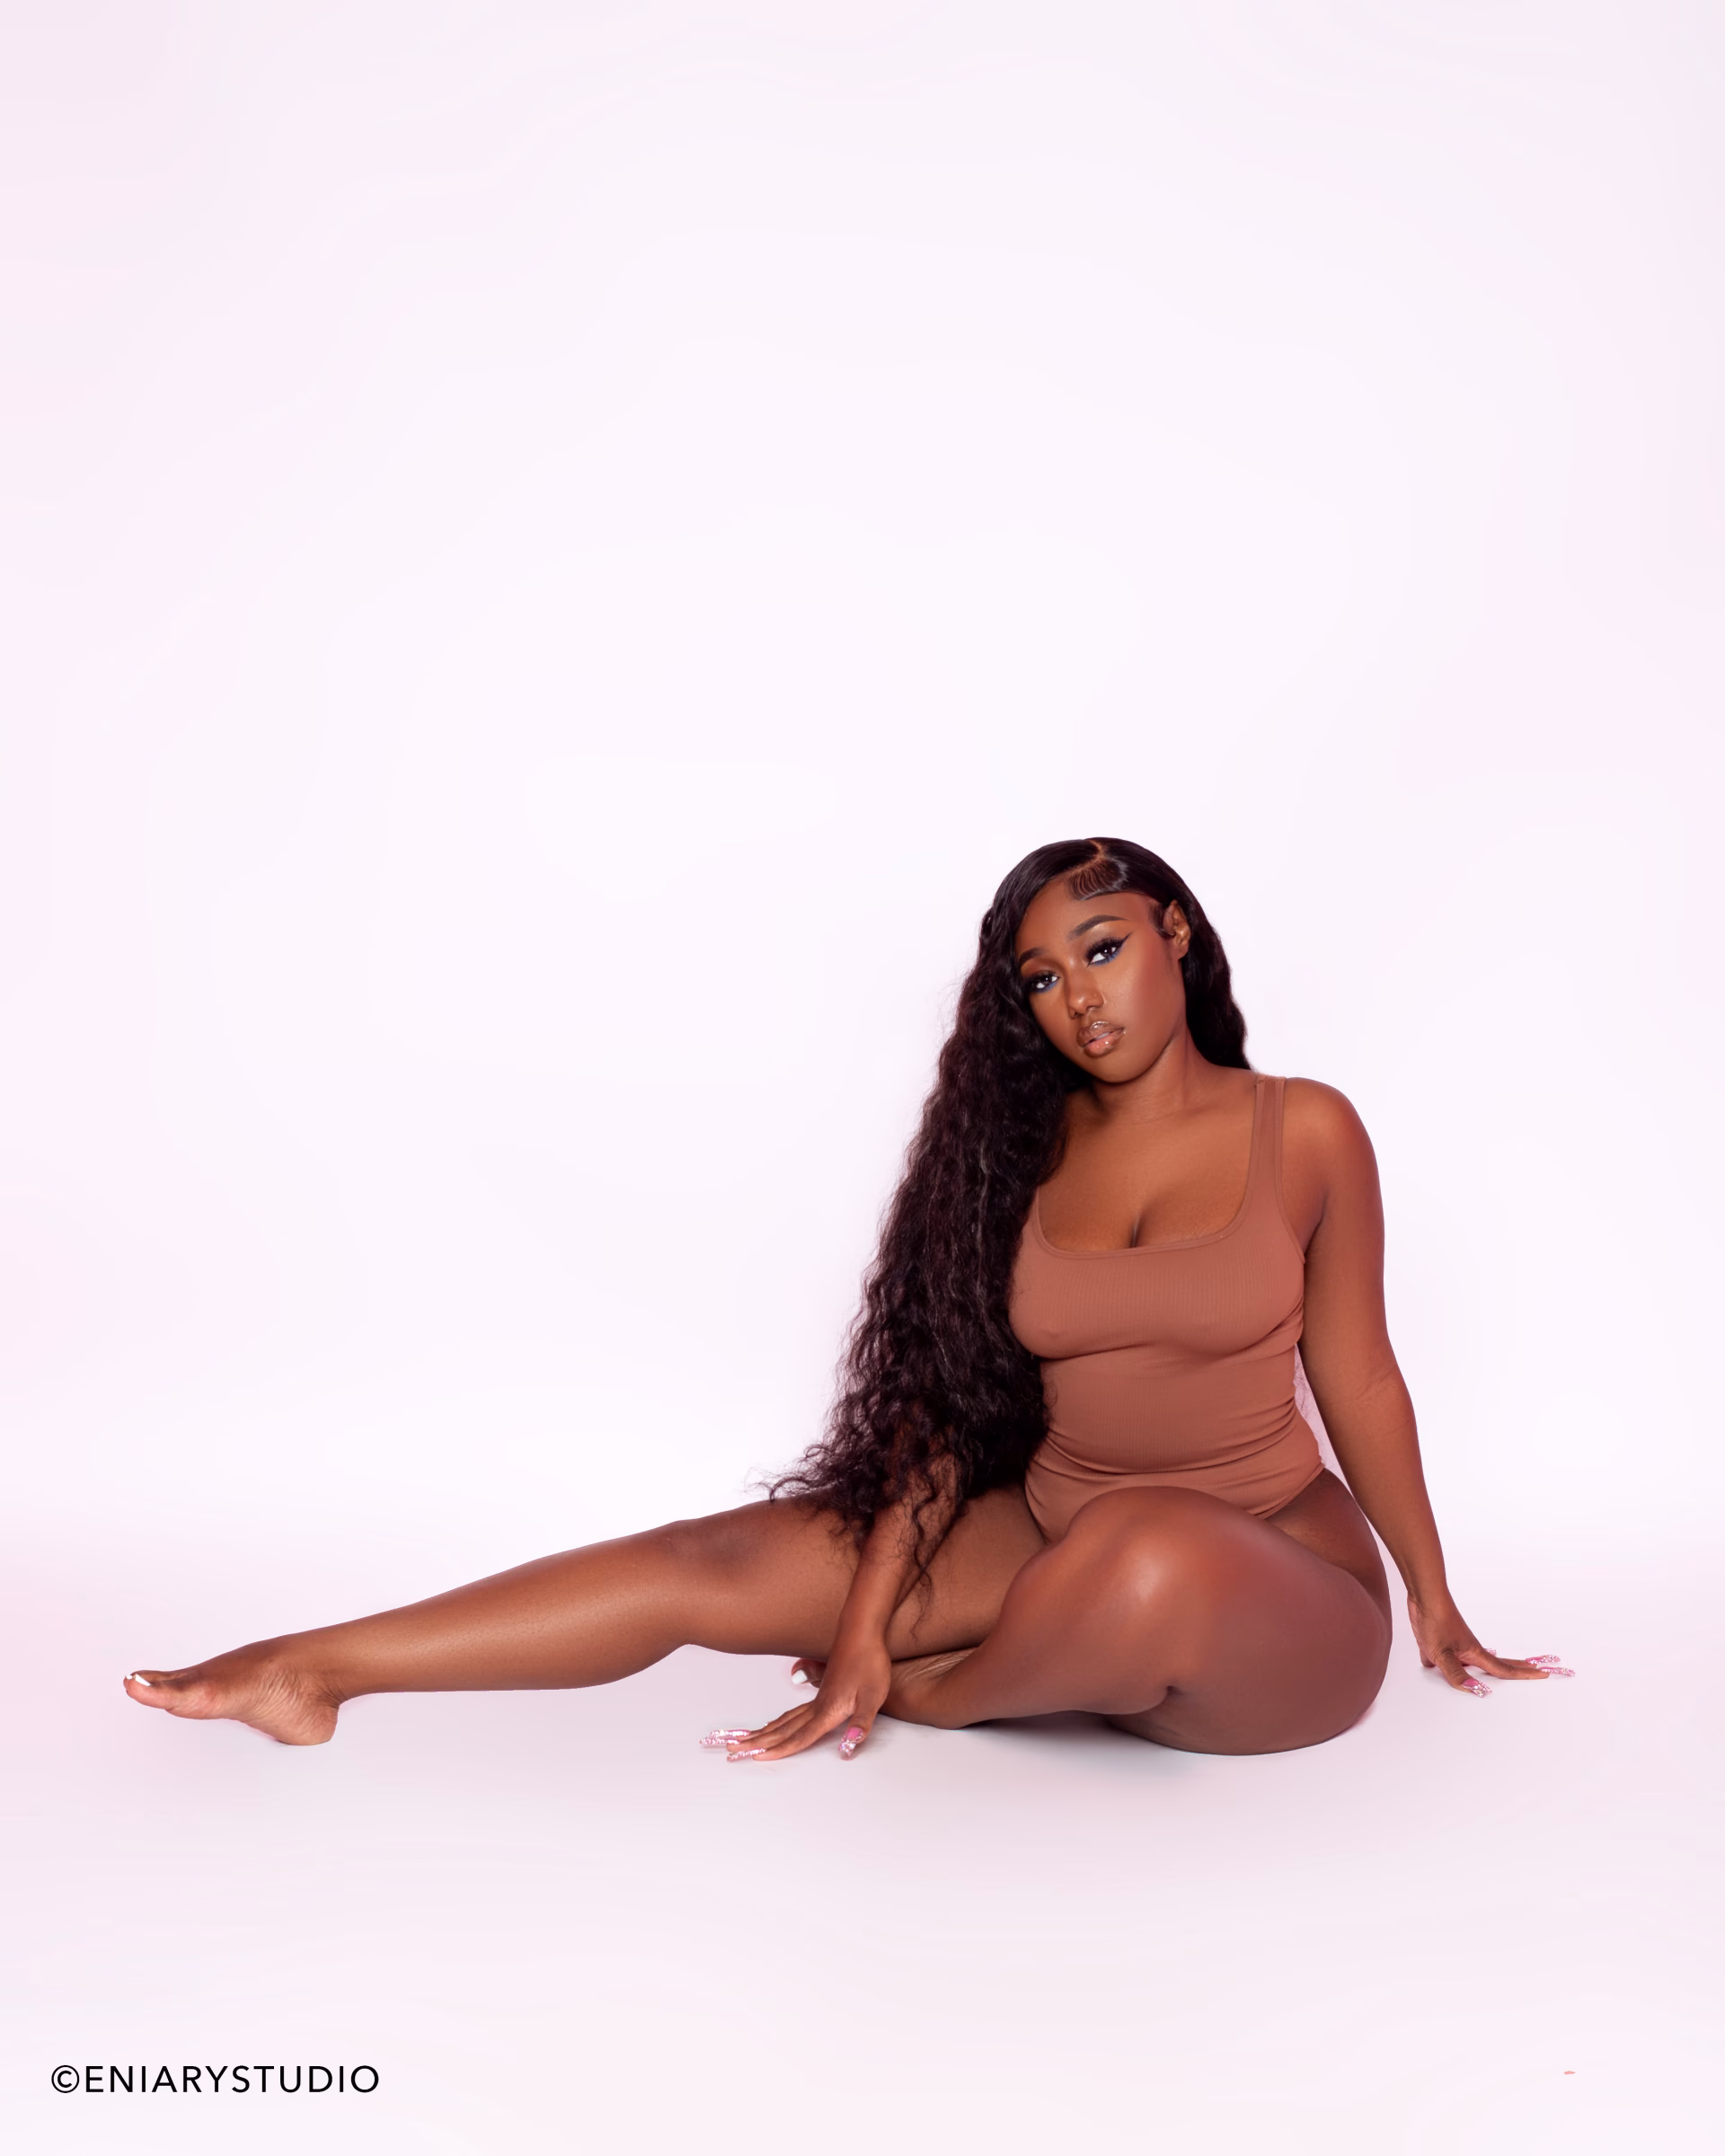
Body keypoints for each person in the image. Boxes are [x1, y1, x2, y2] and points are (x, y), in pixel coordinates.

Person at [124, 837, 1567, 1762]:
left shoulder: (1304, 1128)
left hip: (1275, 1590)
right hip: (1053, 1536)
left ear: (1176, 933)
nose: (1082, 999)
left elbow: (1359, 1376)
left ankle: (947, 1691)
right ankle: (315, 1669)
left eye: (1105, 947)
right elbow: (942, 1402)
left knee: (1142, 1554)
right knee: (712, 1561)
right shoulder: (1013, 1154)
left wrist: (1436, 1599)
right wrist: (869, 1619)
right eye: (1043, 979)